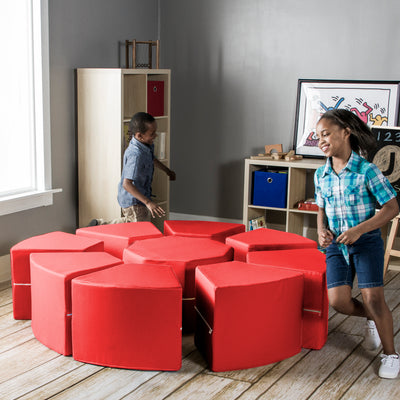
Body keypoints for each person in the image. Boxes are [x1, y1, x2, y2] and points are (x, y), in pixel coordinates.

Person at [314, 109, 399, 379]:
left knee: (373, 299)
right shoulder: (321, 174)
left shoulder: (367, 171)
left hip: (366, 242)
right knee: (338, 301)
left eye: (326, 134)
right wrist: (321, 231)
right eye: (317, 137)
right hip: (336, 245)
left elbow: (392, 208)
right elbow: (320, 209)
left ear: (346, 132)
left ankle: (391, 355)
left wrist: (359, 230)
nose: (321, 141)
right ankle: (371, 318)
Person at [90, 112, 175, 225]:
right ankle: (102, 225)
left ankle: (100, 224)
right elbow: (127, 184)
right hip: (133, 200)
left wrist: (167, 171)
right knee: (140, 227)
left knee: (132, 224)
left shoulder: (146, 145)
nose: (156, 136)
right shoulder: (135, 155)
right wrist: (148, 202)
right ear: (139, 136)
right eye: (152, 134)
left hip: (141, 196)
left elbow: (152, 159)